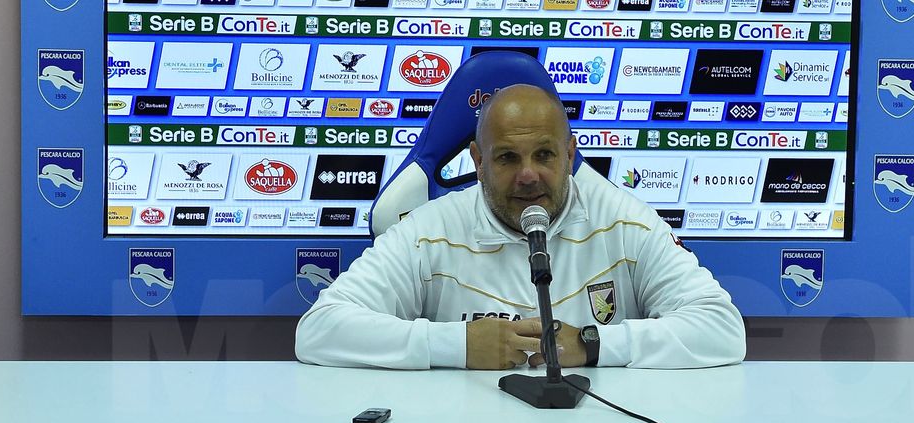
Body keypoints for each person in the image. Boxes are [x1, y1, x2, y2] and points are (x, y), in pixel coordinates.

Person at [295, 84, 745, 370]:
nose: (528, 175)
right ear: (478, 161)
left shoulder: (623, 221)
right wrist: (458, 346)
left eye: (545, 155)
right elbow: (319, 330)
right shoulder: (430, 229)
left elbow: (721, 329)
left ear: (570, 156)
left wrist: (594, 344)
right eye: (508, 157)